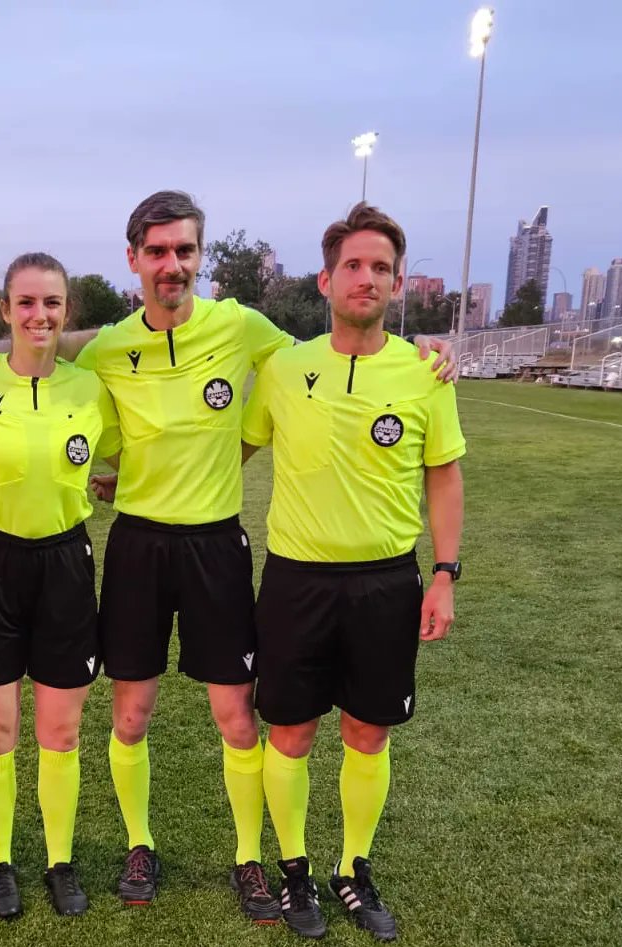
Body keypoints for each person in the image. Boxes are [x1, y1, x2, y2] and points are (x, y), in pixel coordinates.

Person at [75, 190, 456, 923]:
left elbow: (328, 357)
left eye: (185, 250)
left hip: (219, 544)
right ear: (133, 260)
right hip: (136, 545)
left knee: (239, 718)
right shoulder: (104, 350)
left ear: (200, 257)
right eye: (157, 251)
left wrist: (432, 352)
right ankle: (139, 843)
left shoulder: (245, 328)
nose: (172, 264)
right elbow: (53, 392)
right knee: (130, 715)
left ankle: (252, 858)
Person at [241, 202, 465, 941]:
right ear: (326, 278)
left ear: (398, 284)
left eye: (380, 268)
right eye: (353, 265)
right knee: (292, 732)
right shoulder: (283, 367)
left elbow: (443, 475)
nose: (365, 278)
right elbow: (232, 451)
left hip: (386, 583)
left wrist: (444, 573)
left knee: (369, 733)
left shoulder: (425, 372)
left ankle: (353, 868)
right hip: (296, 580)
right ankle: (297, 870)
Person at [0, 252, 121, 920]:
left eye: (52, 303)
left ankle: (60, 860)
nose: (40, 315)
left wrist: (115, 479)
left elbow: (134, 454)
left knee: (62, 731)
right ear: (4, 310)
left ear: (67, 311)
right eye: (27, 303)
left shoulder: (91, 388)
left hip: (67, 566)